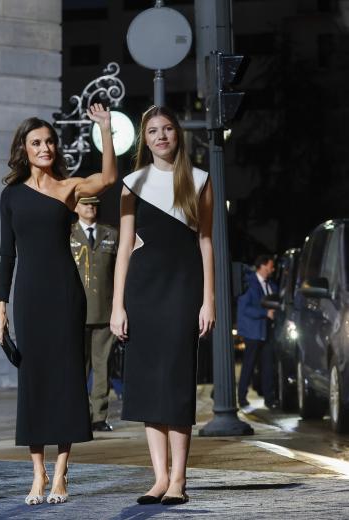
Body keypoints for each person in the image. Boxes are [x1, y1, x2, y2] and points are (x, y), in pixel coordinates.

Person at [0, 106, 117, 505]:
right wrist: (0, 307)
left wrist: (107, 130)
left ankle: (61, 473)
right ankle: (37, 475)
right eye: (36, 142)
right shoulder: (10, 195)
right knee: (34, 382)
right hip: (28, 296)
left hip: (65, 294)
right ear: (23, 150)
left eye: (48, 141)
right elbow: (6, 255)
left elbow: (110, 178)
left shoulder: (70, 187)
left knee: (65, 381)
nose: (44, 147)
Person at [110, 105, 215, 506]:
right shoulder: (131, 183)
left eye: (167, 129)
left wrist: (209, 300)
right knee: (149, 386)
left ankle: (179, 481)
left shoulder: (200, 180)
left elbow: (206, 243)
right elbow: (123, 248)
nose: (160, 136)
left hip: (183, 289)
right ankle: (158, 479)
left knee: (175, 382)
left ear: (177, 134)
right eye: (152, 131)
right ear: (144, 138)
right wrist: (118, 305)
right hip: (143, 290)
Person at [71, 196, 118, 432]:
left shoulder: (111, 235)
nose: (91, 207)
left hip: (105, 312)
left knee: (103, 367)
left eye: (94, 204)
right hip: (76, 313)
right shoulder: (67, 235)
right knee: (79, 367)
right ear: (75, 207)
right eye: (86, 203)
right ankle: (80, 414)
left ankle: (99, 417)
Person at [237, 255, 278, 409]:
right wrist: (265, 313)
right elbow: (244, 308)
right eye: (270, 266)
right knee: (249, 364)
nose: (272, 269)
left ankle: (269, 399)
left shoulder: (271, 285)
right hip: (253, 332)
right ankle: (241, 397)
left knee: (268, 365)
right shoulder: (249, 284)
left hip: (267, 332)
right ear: (262, 266)